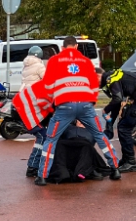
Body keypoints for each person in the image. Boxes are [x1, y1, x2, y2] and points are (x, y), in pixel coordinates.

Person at [35, 36, 121, 186]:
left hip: (65, 106)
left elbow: (47, 86)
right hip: (85, 105)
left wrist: (46, 105)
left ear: (63, 47)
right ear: (76, 47)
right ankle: (115, 168)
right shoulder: (86, 62)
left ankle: (42, 176)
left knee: (51, 139)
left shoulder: (55, 61)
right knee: (100, 135)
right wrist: (90, 104)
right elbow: (94, 86)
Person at [20, 46, 48, 178]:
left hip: (25, 105)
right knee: (44, 136)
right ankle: (33, 166)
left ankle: (33, 165)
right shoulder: (39, 67)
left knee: (40, 136)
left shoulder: (26, 67)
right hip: (33, 107)